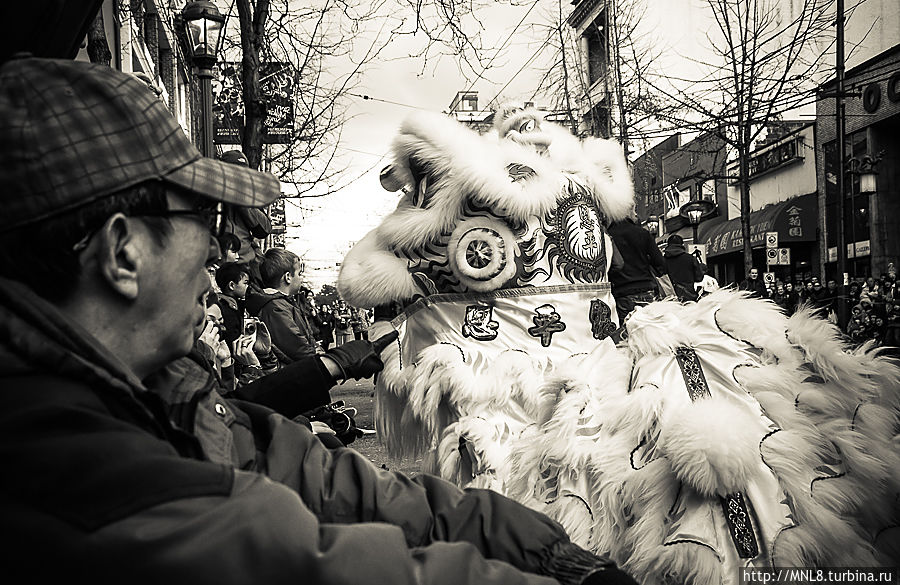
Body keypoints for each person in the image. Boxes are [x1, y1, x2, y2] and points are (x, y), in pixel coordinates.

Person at [0, 57, 634, 585]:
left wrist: (553, 554)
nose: (221, 253)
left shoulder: (167, 399)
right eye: (205, 220)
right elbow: (317, 565)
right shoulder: (73, 468)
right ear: (122, 252)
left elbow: (344, 488)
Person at [247, 248, 321, 364]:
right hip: (294, 371)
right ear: (287, 277)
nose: (301, 278)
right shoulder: (276, 306)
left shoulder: (284, 302)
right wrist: (317, 359)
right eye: (299, 274)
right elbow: (296, 345)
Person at [607, 215, 668, 321]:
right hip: (645, 287)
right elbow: (659, 262)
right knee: (650, 327)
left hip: (622, 291)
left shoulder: (608, 236)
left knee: (626, 331)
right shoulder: (643, 233)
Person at [662, 234, 704, 302]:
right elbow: (699, 278)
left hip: (669, 297)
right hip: (689, 296)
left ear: (668, 245)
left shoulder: (663, 260)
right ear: (682, 245)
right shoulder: (691, 259)